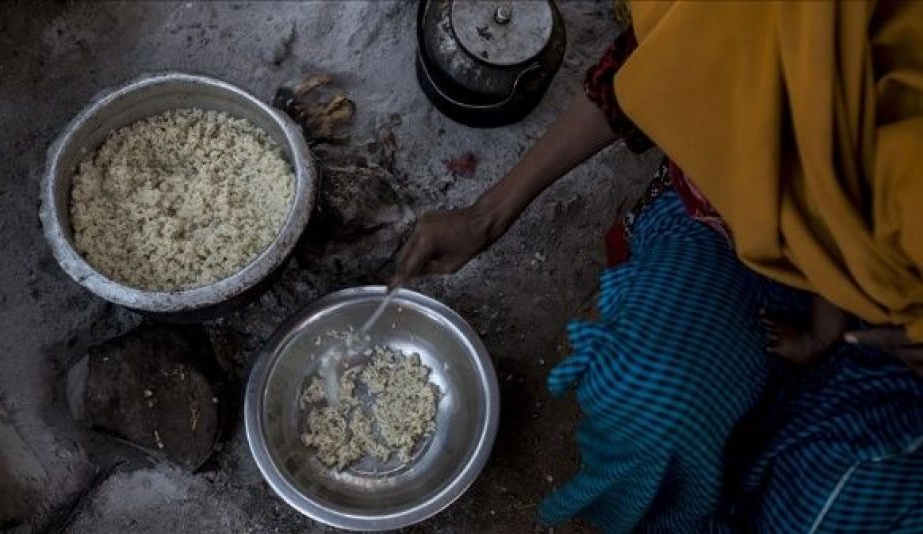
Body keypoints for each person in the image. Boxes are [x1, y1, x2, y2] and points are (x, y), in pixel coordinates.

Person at [393, 2, 923, 532]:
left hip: (889, 316)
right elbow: (649, 68)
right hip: (728, 222)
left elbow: (842, 211)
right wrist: (488, 216)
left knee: (828, 507)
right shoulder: (759, 18)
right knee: (651, 405)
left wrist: (833, 331)